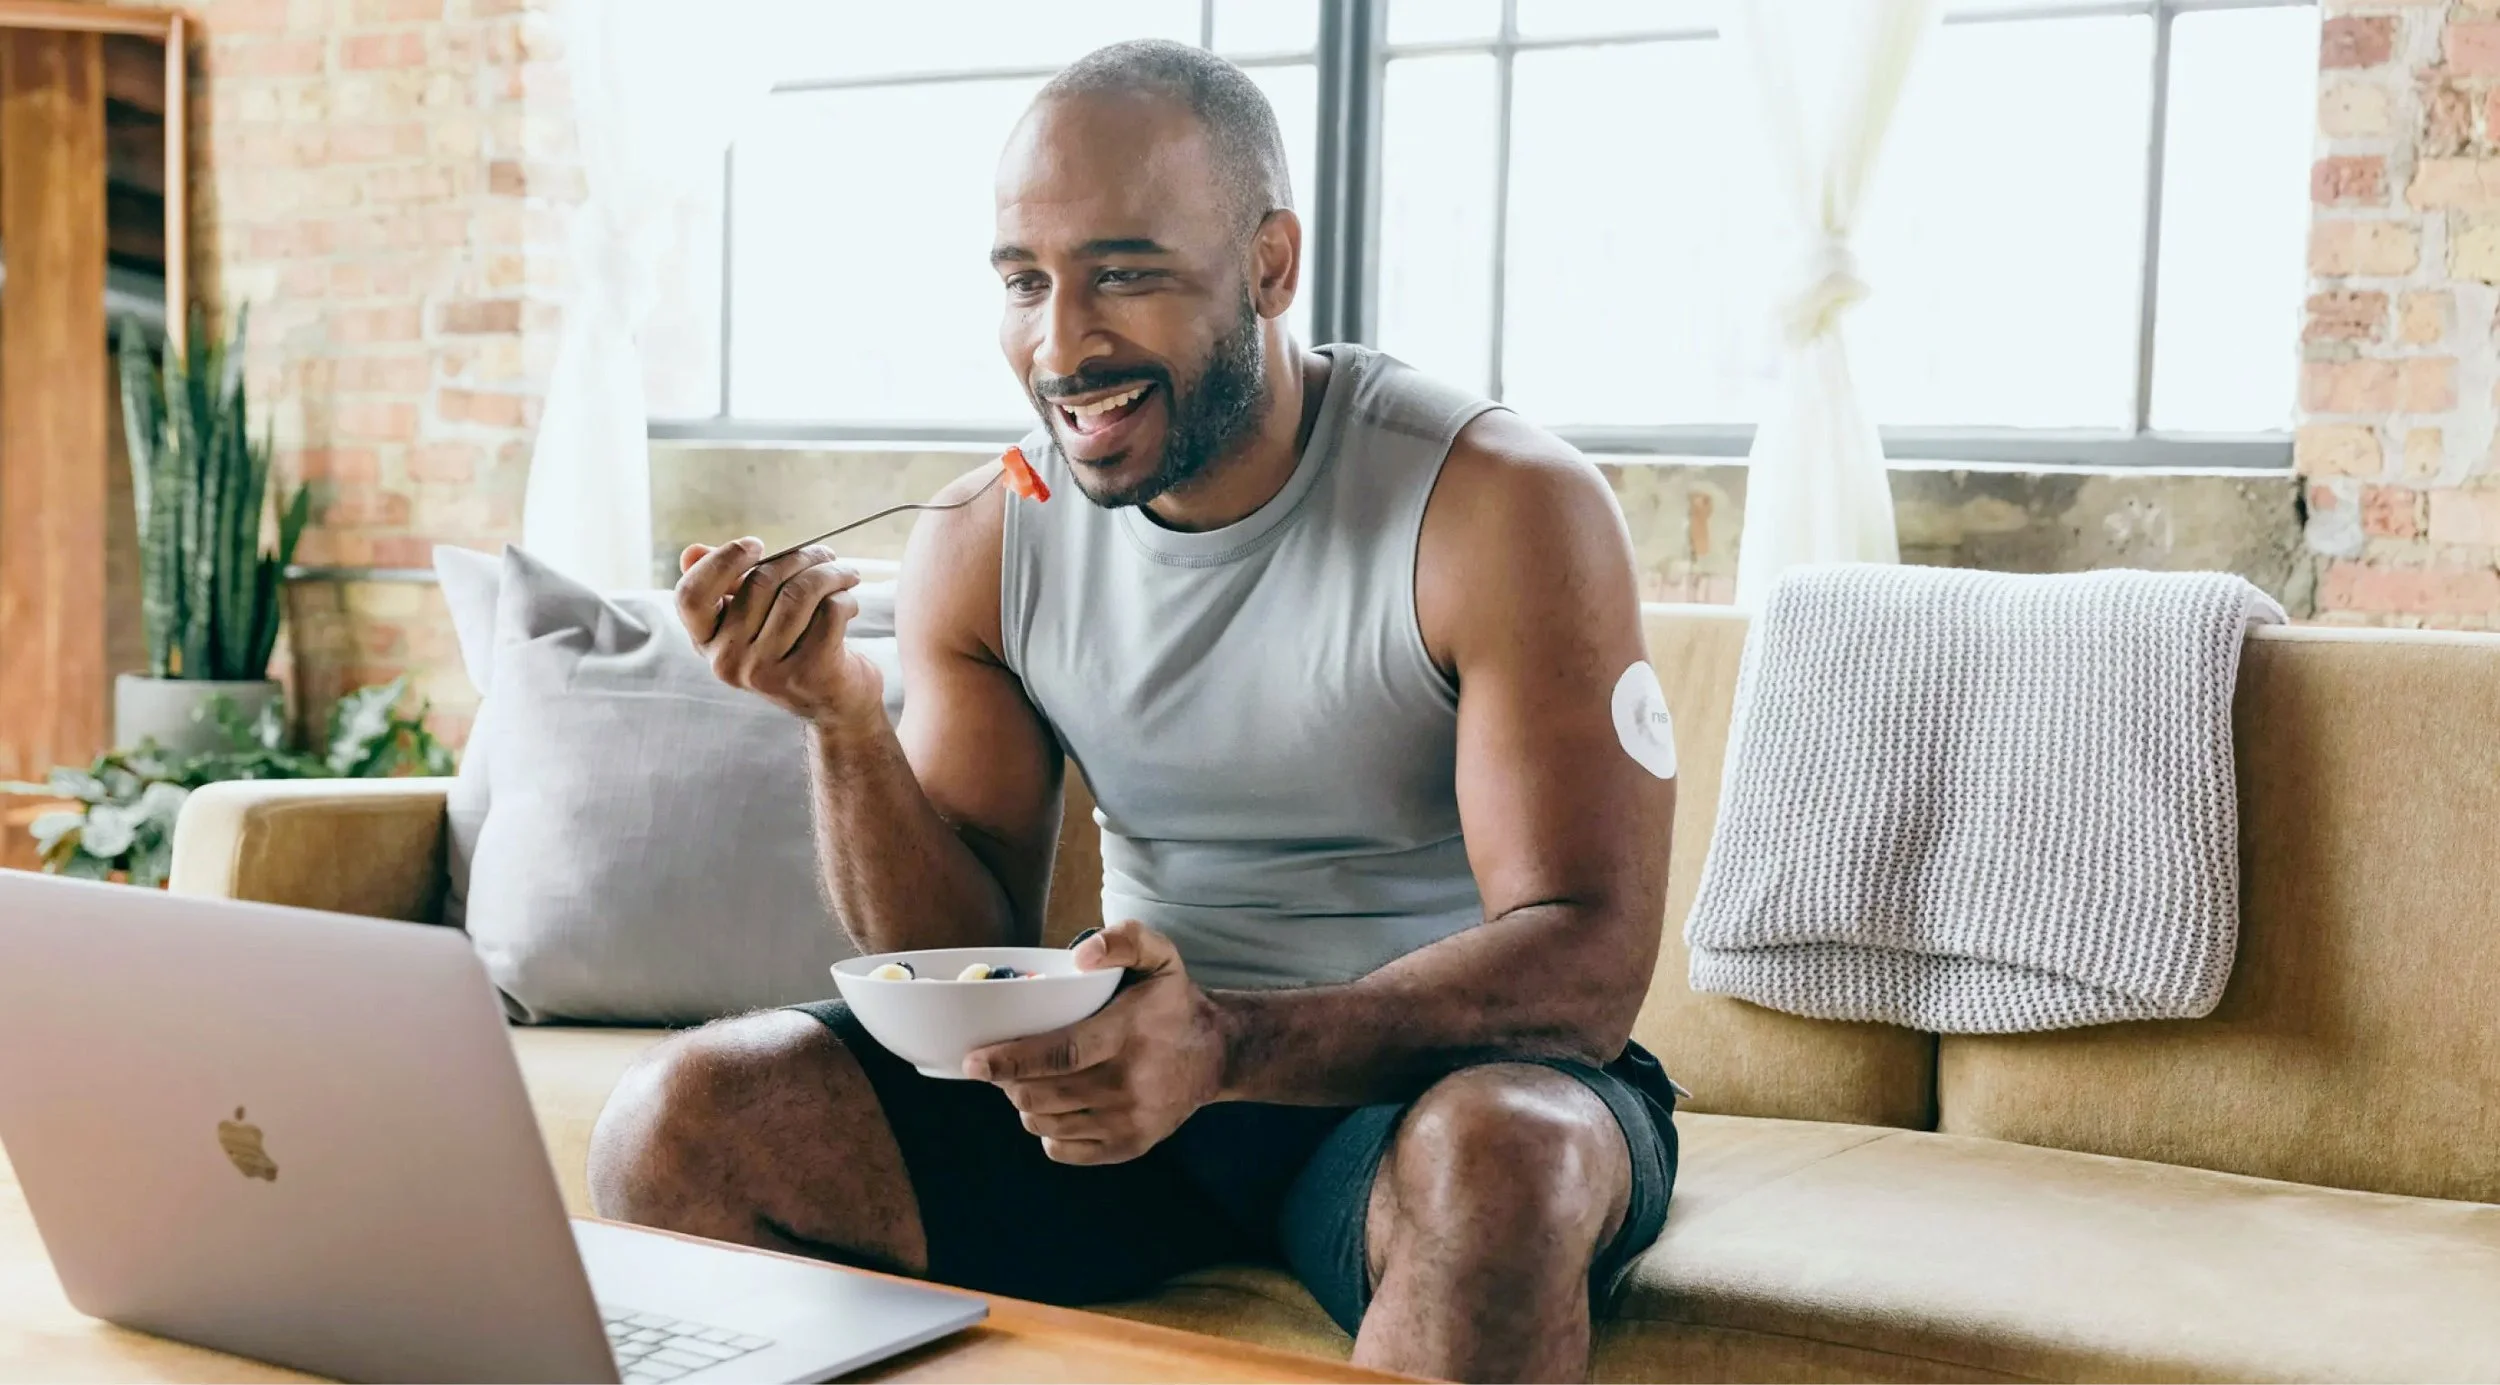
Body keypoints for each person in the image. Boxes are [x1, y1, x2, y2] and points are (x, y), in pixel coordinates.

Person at [589, 38, 1677, 1384]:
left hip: (1432, 1088)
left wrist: (1222, 1043)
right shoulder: (987, 537)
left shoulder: (1497, 503)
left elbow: (1586, 962)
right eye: (1024, 282)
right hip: (1120, 1089)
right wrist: (843, 725)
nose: (1062, 345)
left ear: (1271, 265)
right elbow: (964, 949)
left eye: (1125, 274)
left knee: (1503, 1159)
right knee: (679, 1121)